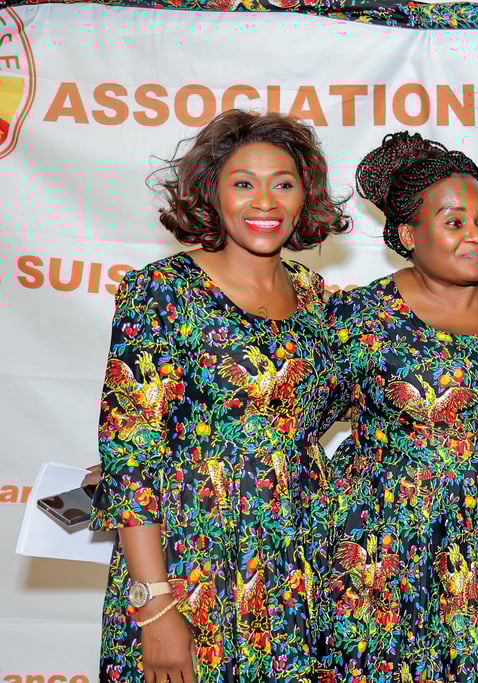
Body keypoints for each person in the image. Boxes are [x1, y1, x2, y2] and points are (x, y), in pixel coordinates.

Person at [89, 109, 351, 683]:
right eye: (244, 184)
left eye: (284, 184)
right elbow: (131, 454)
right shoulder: (161, 290)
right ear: (211, 192)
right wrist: (154, 603)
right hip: (193, 560)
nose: (266, 201)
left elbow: (330, 410)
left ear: (305, 197)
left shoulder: (317, 297)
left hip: (302, 560)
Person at [319, 132, 478, 681]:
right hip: (389, 549)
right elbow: (294, 422)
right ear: (409, 234)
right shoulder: (359, 317)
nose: (477, 235)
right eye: (454, 222)